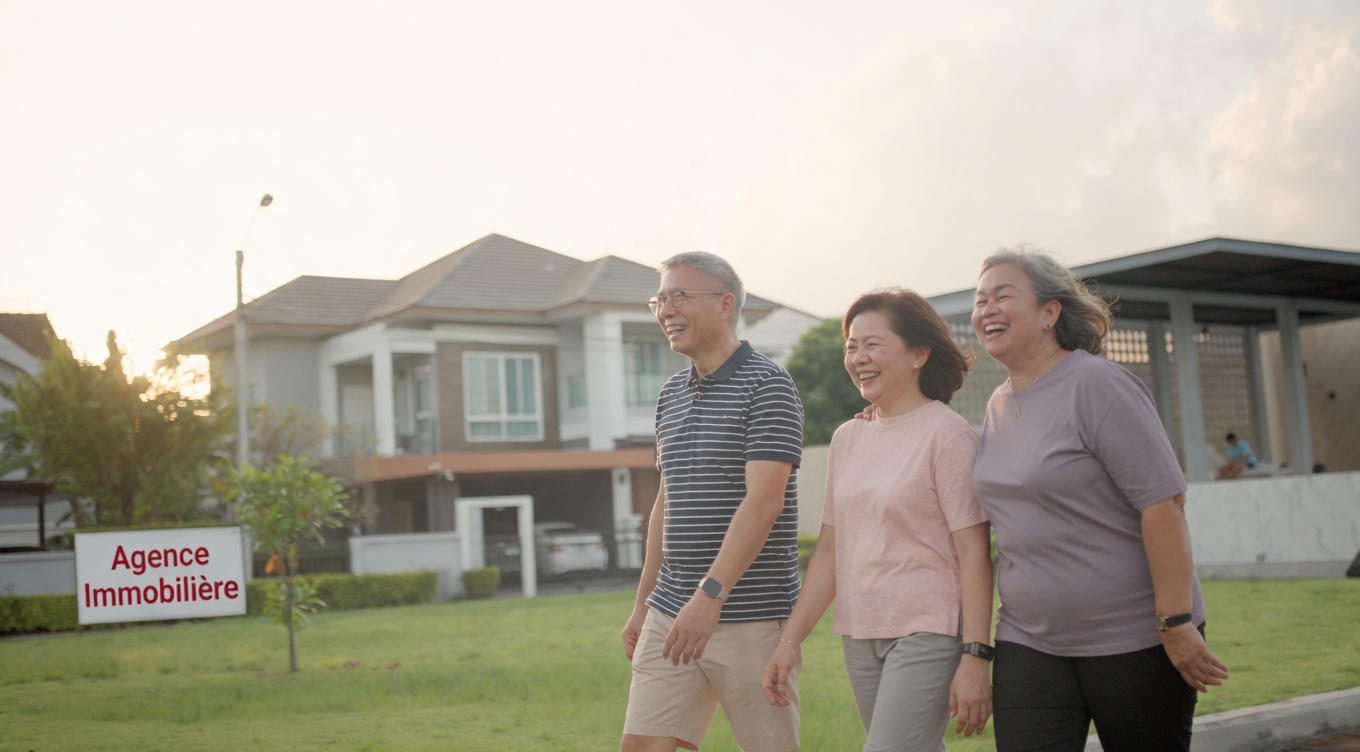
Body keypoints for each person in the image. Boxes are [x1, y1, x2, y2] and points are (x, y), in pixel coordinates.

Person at [970, 246, 1229, 752]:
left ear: (1050, 312)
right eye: (980, 300)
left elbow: (1163, 504)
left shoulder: (1098, 385)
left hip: (1133, 639)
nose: (986, 309)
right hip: (1029, 638)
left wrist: (1174, 622)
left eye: (1003, 295)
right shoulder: (997, 403)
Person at [762, 289, 995, 752]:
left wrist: (975, 655)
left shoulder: (948, 436)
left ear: (918, 354)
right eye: (851, 345)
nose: (858, 358)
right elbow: (830, 550)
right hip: (860, 630)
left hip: (928, 628)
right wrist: (790, 641)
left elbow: (974, 554)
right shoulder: (848, 437)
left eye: (873, 344)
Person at [620, 251, 805, 752]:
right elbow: (667, 501)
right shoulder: (671, 394)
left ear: (726, 305)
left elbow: (763, 503)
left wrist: (710, 596)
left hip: (749, 614)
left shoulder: (769, 386)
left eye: (679, 295)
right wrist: (643, 603)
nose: (665, 310)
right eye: (660, 299)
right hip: (669, 611)